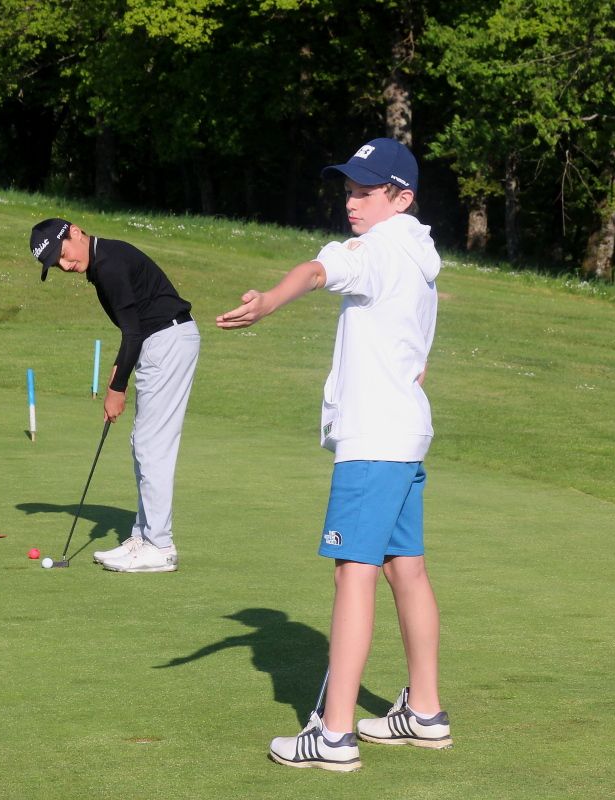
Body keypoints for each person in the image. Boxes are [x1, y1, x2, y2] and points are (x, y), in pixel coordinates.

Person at [216, 138, 450, 770]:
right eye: (348, 190)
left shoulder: (375, 251)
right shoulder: (420, 257)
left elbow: (317, 271)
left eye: (365, 192)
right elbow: (420, 358)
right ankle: (425, 712)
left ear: (402, 198)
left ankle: (335, 734)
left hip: (373, 440)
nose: (352, 202)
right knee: (406, 568)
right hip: (405, 434)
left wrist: (269, 300)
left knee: (354, 573)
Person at [29, 218, 200, 573]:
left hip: (166, 340)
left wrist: (116, 388)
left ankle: (160, 545)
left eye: (62, 254)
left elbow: (133, 332)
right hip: (160, 340)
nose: (65, 265)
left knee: (153, 445)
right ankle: (143, 536)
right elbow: (132, 328)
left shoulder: (108, 265)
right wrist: (117, 370)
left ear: (75, 232)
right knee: (143, 442)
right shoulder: (102, 261)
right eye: (56, 264)